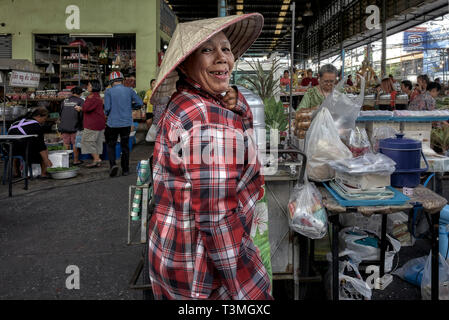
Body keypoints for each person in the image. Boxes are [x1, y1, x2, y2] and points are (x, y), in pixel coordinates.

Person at [148, 13, 272, 300]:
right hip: (201, 272)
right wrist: (252, 292)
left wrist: (236, 102)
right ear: (186, 63)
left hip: (171, 255)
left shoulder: (185, 102)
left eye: (226, 49)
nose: (222, 58)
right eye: (207, 49)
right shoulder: (207, 118)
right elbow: (218, 221)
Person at [104, 71, 143, 177]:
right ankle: (125, 169)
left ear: (111, 81)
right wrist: (131, 107)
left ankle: (113, 165)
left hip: (112, 123)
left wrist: (106, 113)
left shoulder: (108, 92)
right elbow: (140, 103)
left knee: (111, 145)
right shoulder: (129, 90)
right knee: (125, 146)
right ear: (122, 80)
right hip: (126, 123)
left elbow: (107, 108)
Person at [8, 107, 53, 178]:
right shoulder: (36, 126)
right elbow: (41, 146)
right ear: (38, 116)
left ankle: (16, 172)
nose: (44, 121)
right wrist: (46, 160)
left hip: (10, 151)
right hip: (26, 152)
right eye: (44, 119)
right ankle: (43, 174)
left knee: (15, 149)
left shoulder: (16, 122)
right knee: (44, 150)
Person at [75, 80, 106, 168]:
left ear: (93, 87)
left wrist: (80, 108)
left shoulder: (91, 97)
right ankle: (97, 160)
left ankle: (96, 159)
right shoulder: (98, 96)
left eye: (89, 85)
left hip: (92, 123)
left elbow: (86, 108)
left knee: (87, 141)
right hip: (100, 122)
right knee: (97, 142)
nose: (87, 87)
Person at [58, 86, 84, 165]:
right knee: (75, 143)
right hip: (75, 126)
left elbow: (60, 112)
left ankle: (65, 162)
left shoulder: (65, 101)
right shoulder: (81, 101)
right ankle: (76, 160)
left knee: (66, 143)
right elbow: (82, 114)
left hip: (64, 126)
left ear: (72, 92)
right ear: (80, 93)